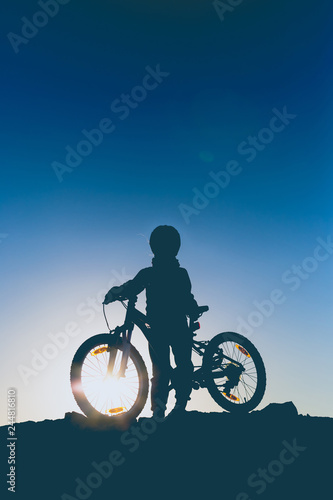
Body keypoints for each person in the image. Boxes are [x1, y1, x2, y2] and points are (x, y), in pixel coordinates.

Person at [104, 225, 200, 418]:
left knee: (163, 368)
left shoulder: (149, 274)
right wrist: (192, 308)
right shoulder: (179, 273)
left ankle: (162, 409)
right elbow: (187, 297)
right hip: (171, 325)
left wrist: (115, 292)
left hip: (161, 326)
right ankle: (175, 406)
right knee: (175, 365)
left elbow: (132, 287)